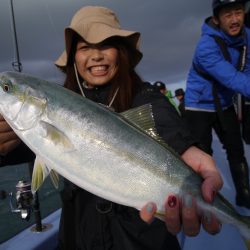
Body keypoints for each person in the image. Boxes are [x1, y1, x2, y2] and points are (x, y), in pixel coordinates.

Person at [0, 6, 222, 250]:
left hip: (142, 241)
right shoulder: (56, 107)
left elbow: (163, 123)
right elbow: (20, 148)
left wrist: (184, 147)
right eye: (85, 48)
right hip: (79, 238)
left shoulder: (145, 96)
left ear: (122, 52)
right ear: (73, 56)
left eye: (106, 44)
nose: (96, 56)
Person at [184, 0, 250, 209]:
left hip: (224, 104)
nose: (234, 20)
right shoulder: (206, 46)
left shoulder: (247, 37)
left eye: (238, 12)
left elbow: (246, 70)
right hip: (198, 107)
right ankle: (203, 201)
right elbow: (232, 78)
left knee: (236, 150)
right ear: (216, 19)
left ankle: (244, 196)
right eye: (228, 15)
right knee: (203, 155)